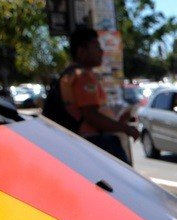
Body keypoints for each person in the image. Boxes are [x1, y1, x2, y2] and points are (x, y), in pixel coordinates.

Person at [59, 26, 139, 163]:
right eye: (96, 46)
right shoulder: (83, 76)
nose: (101, 51)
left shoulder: (70, 74)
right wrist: (125, 128)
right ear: (81, 51)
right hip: (94, 143)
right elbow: (91, 116)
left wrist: (118, 121)